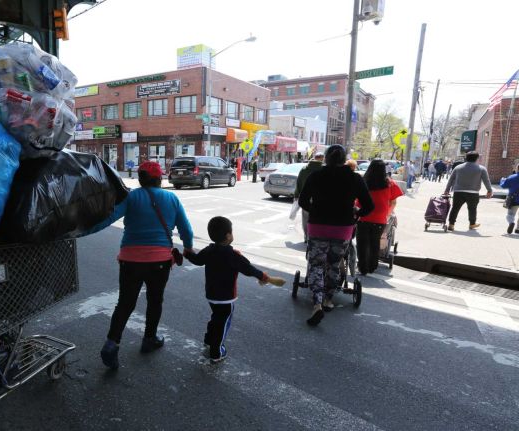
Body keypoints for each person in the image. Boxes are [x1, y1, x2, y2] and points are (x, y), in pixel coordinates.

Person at [91, 161, 194, 370]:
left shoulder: (131, 197)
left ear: (140, 179)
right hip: (160, 262)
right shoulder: (172, 198)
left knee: (125, 303)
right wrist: (188, 248)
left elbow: (108, 217)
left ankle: (112, 343)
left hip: (130, 260)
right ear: (159, 179)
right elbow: (187, 231)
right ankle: (149, 339)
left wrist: (84, 228)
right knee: (155, 300)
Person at [184, 216, 285, 363]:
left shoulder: (208, 250)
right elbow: (249, 269)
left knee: (216, 317)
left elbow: (197, 260)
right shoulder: (233, 255)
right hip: (226, 298)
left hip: (211, 295)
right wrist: (264, 277)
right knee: (223, 322)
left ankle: (208, 339)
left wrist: (187, 253)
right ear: (228, 235)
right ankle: (216, 352)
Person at [298, 145, 374, 327]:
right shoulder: (354, 178)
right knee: (334, 263)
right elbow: (369, 206)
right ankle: (328, 299)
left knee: (316, 264)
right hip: (342, 228)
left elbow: (302, 201)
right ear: (344, 159)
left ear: (325, 158)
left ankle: (316, 302)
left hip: (317, 226)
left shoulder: (316, 176)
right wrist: (355, 214)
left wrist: (315, 211)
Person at [356, 160, 404, 275]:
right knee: (375, 242)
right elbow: (393, 203)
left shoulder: (363, 181)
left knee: (362, 243)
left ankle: (362, 267)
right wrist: (387, 214)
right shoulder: (390, 183)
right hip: (380, 218)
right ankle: (372, 266)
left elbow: (355, 198)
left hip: (363, 215)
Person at [444, 151, 493, 230]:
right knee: (472, 209)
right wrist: (489, 191)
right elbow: (486, 181)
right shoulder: (481, 168)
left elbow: (451, 180)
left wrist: (447, 190)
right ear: (477, 158)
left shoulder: (458, 167)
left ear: (466, 158)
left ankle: (451, 224)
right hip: (473, 193)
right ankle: (472, 224)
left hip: (458, 192)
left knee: (455, 208)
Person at [294, 152, 324, 243]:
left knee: (305, 219)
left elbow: (298, 183)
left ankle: (307, 237)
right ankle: (316, 236)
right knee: (319, 218)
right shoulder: (323, 169)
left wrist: (296, 195)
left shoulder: (304, 169)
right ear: (322, 159)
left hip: (306, 198)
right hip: (320, 199)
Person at [499, 163, 519, 234]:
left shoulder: (512, 177)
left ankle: (511, 222)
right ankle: (518, 229)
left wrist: (502, 180)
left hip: (514, 199)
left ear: (517, 168)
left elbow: (503, 185)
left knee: (510, 215)